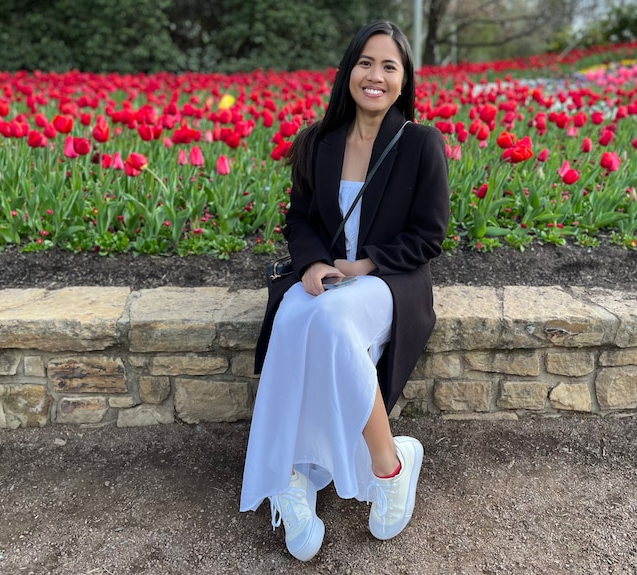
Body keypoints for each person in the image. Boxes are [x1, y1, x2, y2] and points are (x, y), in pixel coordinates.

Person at [240, 20, 450, 561]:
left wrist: (367, 264)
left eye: (389, 66)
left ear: (404, 80)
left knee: (331, 324)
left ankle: (390, 467)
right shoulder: (318, 143)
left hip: (388, 281)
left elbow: (430, 235)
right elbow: (300, 218)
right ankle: (293, 475)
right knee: (292, 319)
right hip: (327, 277)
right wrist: (310, 263)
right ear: (348, 70)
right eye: (366, 62)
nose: (375, 75)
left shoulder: (420, 144)